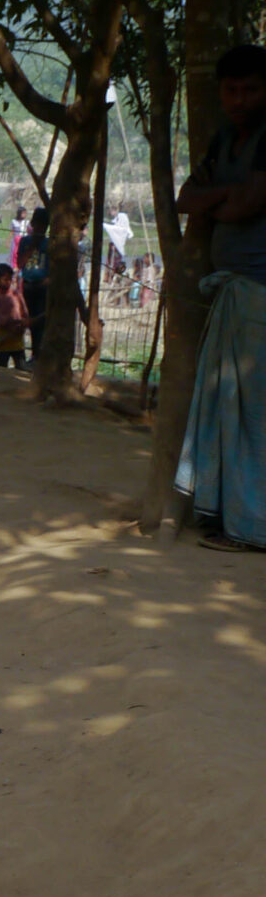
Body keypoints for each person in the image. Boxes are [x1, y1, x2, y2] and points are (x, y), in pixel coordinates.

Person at [175, 42, 266, 550]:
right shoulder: (224, 141)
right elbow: (188, 199)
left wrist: (223, 202)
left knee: (255, 417)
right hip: (234, 294)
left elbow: (245, 205)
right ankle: (232, 517)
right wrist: (224, 200)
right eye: (231, 90)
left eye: (250, 89)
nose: (239, 99)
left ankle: (254, 528)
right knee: (230, 411)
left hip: (260, 293)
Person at [16, 205, 51, 359]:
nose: (40, 228)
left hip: (42, 287)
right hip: (27, 285)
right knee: (23, 320)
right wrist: (32, 246)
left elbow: (54, 266)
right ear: (32, 224)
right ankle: (19, 354)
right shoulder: (25, 241)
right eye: (37, 225)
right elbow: (20, 263)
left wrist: (48, 280)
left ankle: (36, 356)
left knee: (39, 322)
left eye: (43, 226)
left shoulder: (50, 243)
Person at [0, 262, 30, 373]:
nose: (8, 282)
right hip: (2, 339)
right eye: (5, 279)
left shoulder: (16, 294)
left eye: (10, 279)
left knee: (22, 369)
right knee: (1, 370)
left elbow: (25, 313)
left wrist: (24, 323)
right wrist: (14, 323)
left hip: (17, 339)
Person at [106, 207, 132, 280]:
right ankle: (110, 275)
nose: (111, 213)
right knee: (111, 261)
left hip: (117, 245)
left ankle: (115, 274)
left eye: (112, 211)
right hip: (113, 244)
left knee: (115, 261)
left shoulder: (121, 219)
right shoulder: (115, 222)